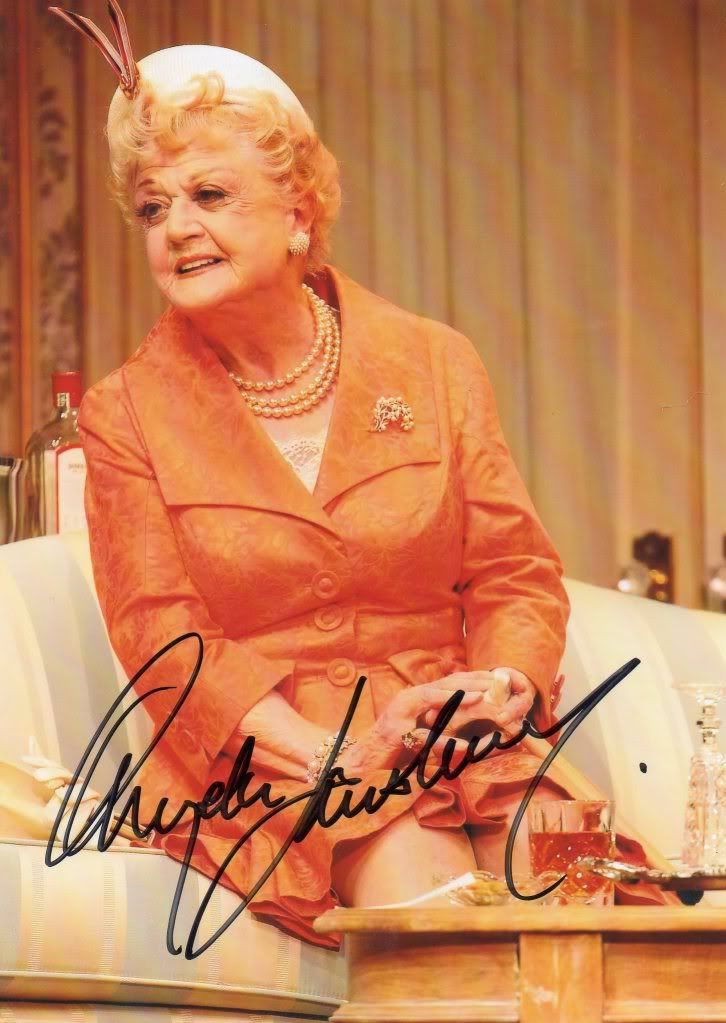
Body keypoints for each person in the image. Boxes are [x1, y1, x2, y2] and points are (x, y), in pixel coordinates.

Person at [53, 1, 674, 951]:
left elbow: (513, 571)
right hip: (282, 759)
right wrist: (335, 753)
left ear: (298, 214)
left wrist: (500, 685)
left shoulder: (433, 360)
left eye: (209, 194)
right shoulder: (126, 413)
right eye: (152, 207)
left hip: (462, 743)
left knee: (578, 902)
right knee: (432, 910)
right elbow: (164, 643)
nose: (177, 228)